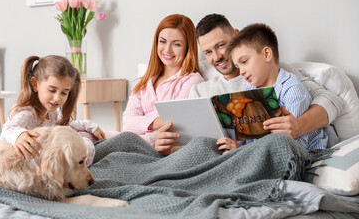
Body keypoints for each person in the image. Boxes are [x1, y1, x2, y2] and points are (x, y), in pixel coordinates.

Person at [154, 13, 342, 155]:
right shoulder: (199, 90)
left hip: (255, 157)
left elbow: (331, 100)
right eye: (208, 52)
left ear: (236, 36)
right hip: (215, 160)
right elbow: (191, 148)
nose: (217, 57)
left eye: (221, 45)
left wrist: (300, 126)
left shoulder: (272, 71)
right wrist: (166, 148)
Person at [221, 23, 328, 154]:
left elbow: (291, 147)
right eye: (238, 67)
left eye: (244, 62)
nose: (241, 71)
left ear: (266, 54)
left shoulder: (292, 90)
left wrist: (242, 153)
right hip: (258, 154)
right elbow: (244, 139)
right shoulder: (249, 91)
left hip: (298, 154)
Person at [0, 55, 105, 166]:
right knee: (84, 144)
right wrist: (19, 135)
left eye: (64, 93)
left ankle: (74, 170)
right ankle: (73, 171)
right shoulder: (28, 113)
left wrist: (90, 126)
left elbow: (66, 125)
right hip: (30, 162)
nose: (57, 98)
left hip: (47, 157)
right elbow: (8, 128)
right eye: (52, 90)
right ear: (35, 84)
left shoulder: (50, 113)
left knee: (85, 140)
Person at [122, 14, 204, 146]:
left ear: (188, 48)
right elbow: (127, 124)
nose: (167, 50)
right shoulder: (142, 82)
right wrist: (159, 121)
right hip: (131, 143)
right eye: (162, 41)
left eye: (176, 44)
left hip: (152, 149)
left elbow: (176, 127)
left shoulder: (192, 81)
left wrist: (142, 137)